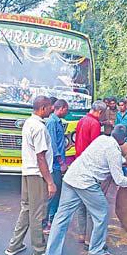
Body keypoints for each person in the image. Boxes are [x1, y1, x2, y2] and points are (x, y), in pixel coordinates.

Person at [44, 125, 127, 255]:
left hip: (71, 177)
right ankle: (96, 250)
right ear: (124, 140)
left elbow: (115, 157)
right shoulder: (114, 151)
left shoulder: (102, 139)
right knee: (101, 212)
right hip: (86, 183)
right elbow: (119, 180)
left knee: (61, 218)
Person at [5, 96, 56, 255]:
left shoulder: (29, 123)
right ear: (42, 108)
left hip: (27, 172)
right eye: (50, 107)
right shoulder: (40, 128)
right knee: (38, 212)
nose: (52, 109)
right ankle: (39, 249)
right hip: (37, 175)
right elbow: (41, 157)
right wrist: (50, 182)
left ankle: (15, 244)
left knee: (27, 208)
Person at [74, 100, 107, 244]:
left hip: (78, 161)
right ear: (99, 112)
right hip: (89, 165)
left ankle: (82, 234)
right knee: (92, 204)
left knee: (81, 202)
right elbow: (96, 147)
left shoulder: (82, 120)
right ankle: (90, 239)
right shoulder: (95, 124)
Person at [44, 99, 69, 235]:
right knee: (53, 193)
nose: (67, 112)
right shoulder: (52, 123)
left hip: (57, 164)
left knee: (57, 193)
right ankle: (47, 221)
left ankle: (51, 220)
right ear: (62, 108)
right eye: (67, 110)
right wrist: (61, 162)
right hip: (55, 165)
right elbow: (53, 145)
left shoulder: (57, 122)